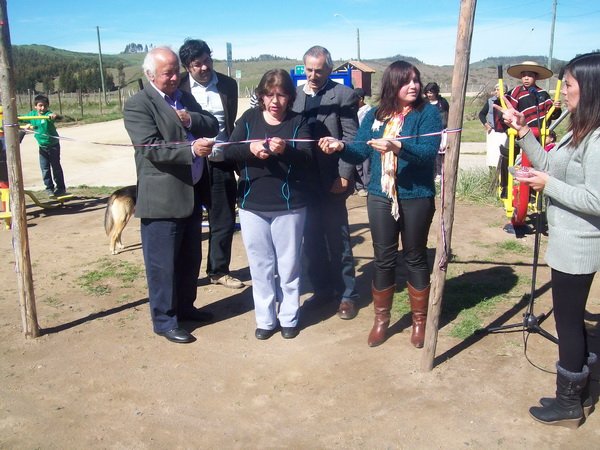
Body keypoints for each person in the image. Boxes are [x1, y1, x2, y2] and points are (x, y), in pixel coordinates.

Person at [495, 52, 600, 429]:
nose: (564, 92)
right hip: (567, 241)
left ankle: (569, 403)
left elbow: (596, 199)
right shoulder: (580, 128)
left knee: (568, 323)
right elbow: (551, 166)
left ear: (589, 88)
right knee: (571, 320)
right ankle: (581, 391)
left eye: (569, 85)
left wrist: (547, 185)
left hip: (579, 246)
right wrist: (524, 132)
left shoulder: (598, 138)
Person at [319, 60, 442, 348]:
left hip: (416, 195)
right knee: (383, 258)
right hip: (380, 195)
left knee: (415, 256)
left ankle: (419, 321)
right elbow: (360, 150)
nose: (413, 86)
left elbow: (428, 152)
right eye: (406, 81)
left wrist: (398, 146)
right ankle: (381, 320)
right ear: (392, 84)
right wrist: (340, 147)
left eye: (416, 80)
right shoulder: (376, 115)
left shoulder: (428, 113)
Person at [123, 47, 219, 344]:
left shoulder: (184, 97)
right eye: (168, 73)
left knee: (190, 258)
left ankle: (185, 308)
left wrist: (190, 120)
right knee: (162, 265)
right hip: (162, 200)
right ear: (150, 75)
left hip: (191, 194)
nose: (175, 77)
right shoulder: (138, 105)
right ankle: (165, 320)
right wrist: (191, 149)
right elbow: (150, 147)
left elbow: (212, 123)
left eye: (177, 71)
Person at [223, 69, 312, 340]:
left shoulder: (299, 121)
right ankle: (265, 319)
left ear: (290, 97)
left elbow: (308, 159)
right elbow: (228, 150)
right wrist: (250, 149)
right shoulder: (249, 118)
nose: (275, 101)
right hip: (252, 204)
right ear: (261, 96)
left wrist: (287, 150)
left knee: (289, 265)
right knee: (260, 266)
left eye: (282, 95)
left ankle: (289, 317)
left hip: (290, 206)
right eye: (270, 94)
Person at [291, 45, 360, 320]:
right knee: (311, 240)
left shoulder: (343, 95)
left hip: (332, 180)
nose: (313, 75)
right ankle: (322, 291)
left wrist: (344, 174)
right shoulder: (294, 96)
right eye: (309, 70)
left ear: (329, 69)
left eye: (319, 70)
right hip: (303, 182)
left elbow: (351, 138)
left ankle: (347, 295)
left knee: (338, 239)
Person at [178, 38, 244, 290]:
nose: (205, 67)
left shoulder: (228, 85)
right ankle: (186, 275)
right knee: (188, 220)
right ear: (187, 67)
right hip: (189, 161)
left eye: (207, 60)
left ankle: (218, 270)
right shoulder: (178, 87)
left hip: (221, 160)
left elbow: (229, 121)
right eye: (197, 64)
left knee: (223, 218)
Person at [23, 95, 67, 197]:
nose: (42, 108)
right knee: (45, 168)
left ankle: (61, 188)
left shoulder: (48, 115)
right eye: (40, 106)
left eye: (45, 106)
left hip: (53, 145)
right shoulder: (32, 115)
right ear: (35, 106)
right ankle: (49, 188)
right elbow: (21, 118)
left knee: (56, 167)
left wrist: (54, 116)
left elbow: (55, 116)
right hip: (42, 147)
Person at [506, 61, 561, 138]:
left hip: (540, 133)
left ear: (536, 77)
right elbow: (506, 107)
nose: (526, 78)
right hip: (520, 131)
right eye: (524, 76)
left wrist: (556, 108)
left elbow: (552, 114)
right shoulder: (515, 92)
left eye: (530, 75)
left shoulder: (542, 94)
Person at [478, 84, 508, 168]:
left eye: (498, 90)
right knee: (492, 155)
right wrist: (486, 125)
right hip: (493, 131)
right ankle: (492, 174)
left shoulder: (509, 101)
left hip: (505, 132)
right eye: (495, 90)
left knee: (503, 154)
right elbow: (482, 114)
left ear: (504, 91)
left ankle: (503, 173)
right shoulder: (490, 101)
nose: (495, 92)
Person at [424, 82, 448, 181]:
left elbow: (447, 115)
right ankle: (430, 173)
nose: (429, 95)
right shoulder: (424, 103)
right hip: (427, 132)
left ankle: (439, 173)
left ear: (436, 92)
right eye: (427, 92)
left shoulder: (443, 102)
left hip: (441, 131)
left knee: (440, 152)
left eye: (431, 92)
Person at [354, 87, 372, 197]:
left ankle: (367, 187)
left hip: (365, 142)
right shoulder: (352, 110)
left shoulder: (369, 111)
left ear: (361, 99)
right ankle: (359, 186)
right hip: (355, 141)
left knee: (366, 166)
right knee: (357, 166)